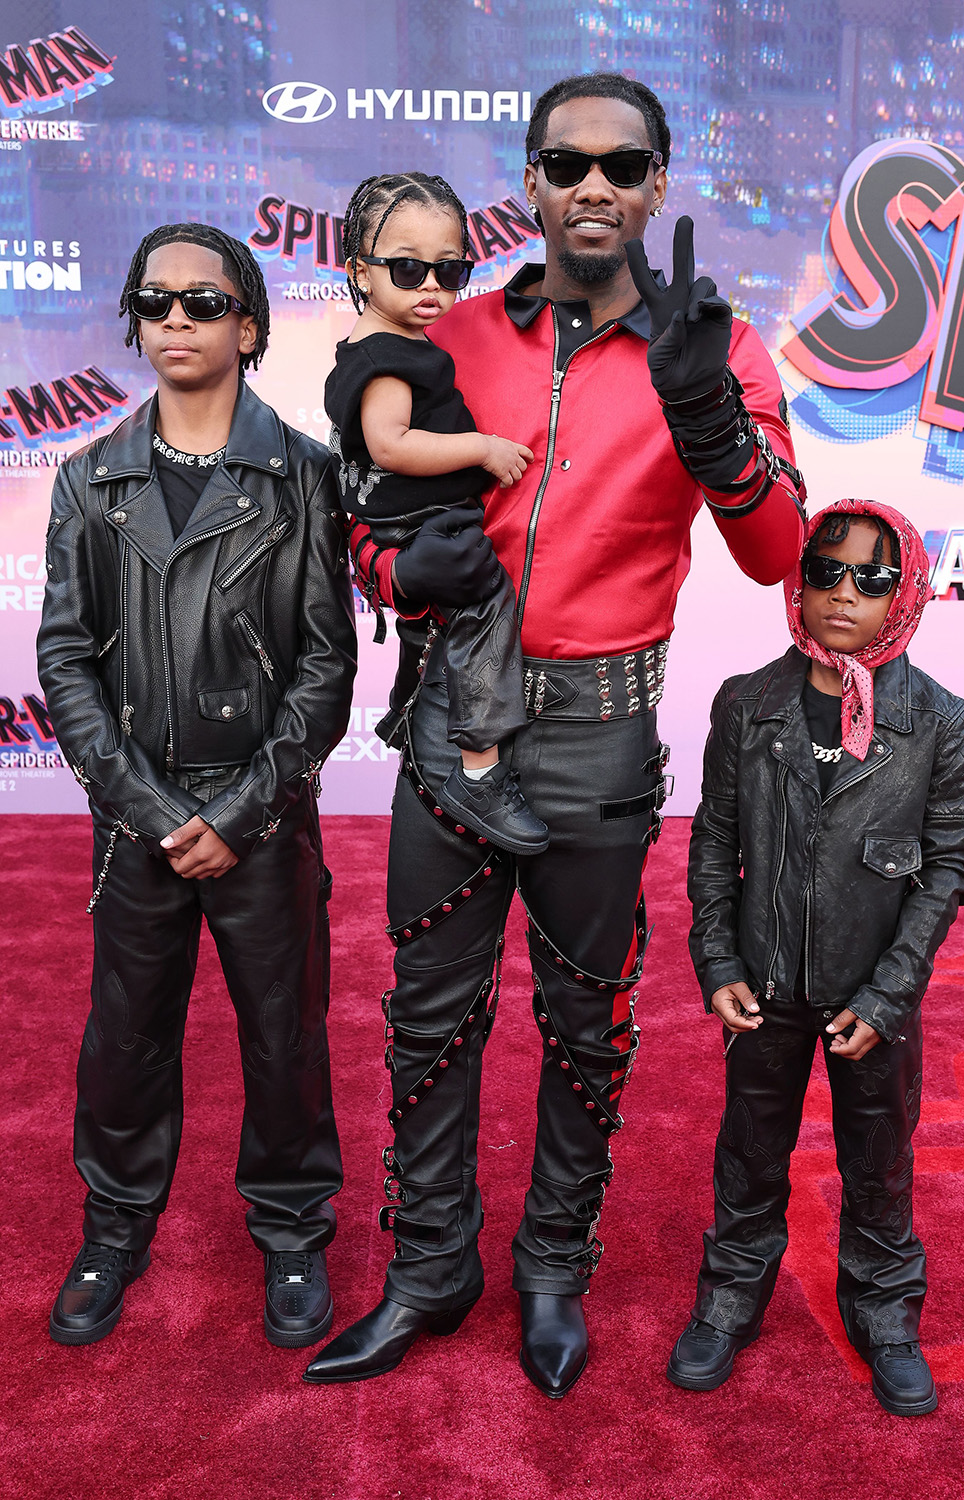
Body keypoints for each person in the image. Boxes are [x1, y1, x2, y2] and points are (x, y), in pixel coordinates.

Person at [304, 72, 806, 1397]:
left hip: (603, 739)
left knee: (588, 1025)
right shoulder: (452, 330)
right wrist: (393, 569)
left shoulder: (719, 346)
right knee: (428, 1016)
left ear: (657, 185)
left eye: (621, 166)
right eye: (566, 163)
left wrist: (709, 418)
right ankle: (430, 1269)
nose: (594, 185)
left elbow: (779, 553)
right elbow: (366, 508)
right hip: (448, 726)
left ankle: (550, 1272)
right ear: (527, 182)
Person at [37, 223, 357, 1350]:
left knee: (283, 1035)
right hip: (138, 817)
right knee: (124, 1036)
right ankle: (113, 1231)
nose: (177, 317)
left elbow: (326, 667)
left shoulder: (304, 476)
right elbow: (64, 659)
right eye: (155, 301)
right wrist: (150, 810)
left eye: (204, 301)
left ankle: (292, 1232)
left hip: (260, 813)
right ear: (135, 323)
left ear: (249, 326)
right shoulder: (89, 478)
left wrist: (239, 812)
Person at [669, 499, 964, 1416]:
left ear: (905, 593)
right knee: (748, 1152)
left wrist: (889, 995)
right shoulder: (747, 703)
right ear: (798, 582)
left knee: (879, 1161)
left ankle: (885, 1313)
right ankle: (730, 1298)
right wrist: (717, 961)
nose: (845, 593)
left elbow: (948, 866)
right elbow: (714, 837)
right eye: (826, 571)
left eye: (873, 578)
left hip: (873, 993)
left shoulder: (939, 720)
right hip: (762, 987)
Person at [325, 169, 547, 856]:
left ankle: (404, 712)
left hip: (415, 523)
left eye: (449, 271)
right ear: (360, 271)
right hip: (421, 524)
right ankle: (480, 770)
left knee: (433, 630)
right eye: (408, 268)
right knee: (487, 610)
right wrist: (482, 448)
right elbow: (390, 445)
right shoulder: (389, 360)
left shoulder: (384, 340)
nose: (430, 287)